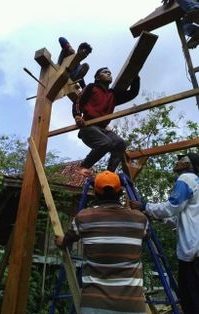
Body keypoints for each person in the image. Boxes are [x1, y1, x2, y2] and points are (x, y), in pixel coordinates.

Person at [55, 170, 149, 314]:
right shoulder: (139, 219)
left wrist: (61, 241)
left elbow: (66, 240)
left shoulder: (84, 217)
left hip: (94, 305)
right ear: (120, 192)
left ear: (96, 193)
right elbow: (147, 236)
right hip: (131, 306)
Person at [130, 152, 199, 314]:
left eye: (182, 160)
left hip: (192, 253)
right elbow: (178, 218)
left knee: (192, 301)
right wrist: (157, 217)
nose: (178, 162)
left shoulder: (187, 178)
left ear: (189, 164)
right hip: (195, 253)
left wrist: (145, 206)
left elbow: (171, 207)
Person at [72, 67, 140, 177]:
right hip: (88, 127)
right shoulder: (91, 87)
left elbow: (132, 93)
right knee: (106, 143)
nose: (108, 74)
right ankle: (83, 166)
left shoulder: (113, 95)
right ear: (98, 77)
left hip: (103, 129)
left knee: (120, 143)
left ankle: (109, 174)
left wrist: (135, 76)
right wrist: (77, 116)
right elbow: (78, 101)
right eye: (105, 72)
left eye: (110, 72)